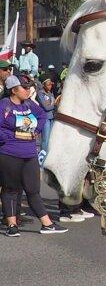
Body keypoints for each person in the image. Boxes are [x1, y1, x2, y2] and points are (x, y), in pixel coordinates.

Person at [0, 75, 67, 235]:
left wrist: (36, 131)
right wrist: (10, 137)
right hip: (10, 153)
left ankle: (47, 224)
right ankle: (12, 226)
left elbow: (42, 116)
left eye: (29, 87)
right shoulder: (4, 105)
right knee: (11, 189)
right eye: (24, 87)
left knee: (33, 189)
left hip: (30, 154)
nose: (28, 90)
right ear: (13, 90)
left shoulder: (29, 104)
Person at [35, 76, 57, 164]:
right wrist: (54, 105)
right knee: (45, 139)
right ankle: (42, 158)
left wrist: (53, 105)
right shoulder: (41, 93)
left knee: (50, 139)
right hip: (45, 118)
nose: (50, 86)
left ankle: (47, 156)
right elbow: (46, 107)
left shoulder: (50, 93)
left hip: (51, 118)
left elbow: (51, 105)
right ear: (43, 85)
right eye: (48, 85)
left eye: (51, 84)